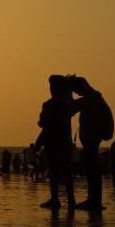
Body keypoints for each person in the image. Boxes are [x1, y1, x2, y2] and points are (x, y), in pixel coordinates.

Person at [69, 76, 113, 211]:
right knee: (92, 169)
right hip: (92, 138)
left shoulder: (91, 99)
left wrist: (67, 94)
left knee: (92, 169)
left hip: (92, 139)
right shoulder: (95, 98)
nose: (77, 93)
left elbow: (71, 108)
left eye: (76, 90)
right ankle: (93, 200)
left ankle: (94, 201)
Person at [35, 75, 78, 209]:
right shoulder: (67, 105)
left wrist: (39, 141)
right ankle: (70, 200)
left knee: (54, 172)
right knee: (67, 172)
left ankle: (55, 199)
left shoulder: (49, 105)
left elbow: (45, 125)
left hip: (53, 143)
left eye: (53, 87)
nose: (51, 89)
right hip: (65, 142)